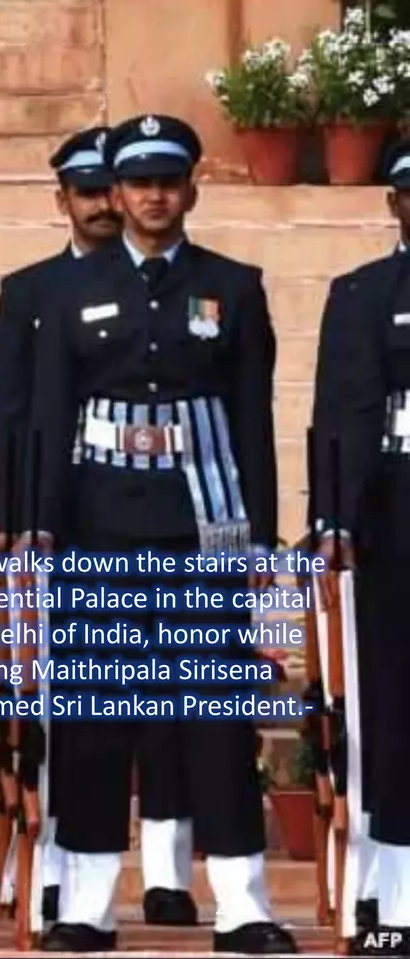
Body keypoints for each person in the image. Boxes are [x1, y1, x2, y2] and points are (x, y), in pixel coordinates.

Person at [28, 115, 293, 955]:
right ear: (114, 192)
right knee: (99, 718)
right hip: (100, 526)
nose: (153, 195)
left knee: (213, 718)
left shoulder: (233, 287)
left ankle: (243, 906)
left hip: (202, 527)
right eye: (138, 182)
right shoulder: (67, 290)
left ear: (191, 190)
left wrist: (259, 536)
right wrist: (40, 526)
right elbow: (49, 418)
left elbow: (252, 422)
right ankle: (87, 905)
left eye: (168, 181)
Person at [0, 127, 137, 928]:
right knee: (41, 710)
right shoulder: (32, 290)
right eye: (87, 191)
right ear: (63, 200)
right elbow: (8, 414)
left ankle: (143, 874)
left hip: (129, 515)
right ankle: (38, 870)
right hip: (52, 523)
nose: (103, 205)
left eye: (113, 189)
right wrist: (7, 518)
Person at [310, 136, 410, 949]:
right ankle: (393, 891)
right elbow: (342, 413)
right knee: (392, 705)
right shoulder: (364, 293)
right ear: (395, 203)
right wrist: (334, 520)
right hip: (395, 516)